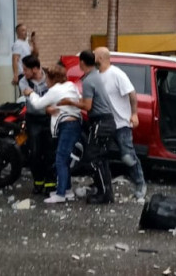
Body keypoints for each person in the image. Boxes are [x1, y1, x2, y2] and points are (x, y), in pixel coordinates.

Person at [94, 46, 147, 201]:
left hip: (121, 124)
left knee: (128, 156)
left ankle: (140, 183)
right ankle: (103, 186)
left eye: (94, 55)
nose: (92, 57)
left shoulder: (117, 74)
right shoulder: (96, 76)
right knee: (101, 156)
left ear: (101, 58)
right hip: (105, 124)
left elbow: (132, 93)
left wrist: (134, 114)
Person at [26, 63, 82, 204]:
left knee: (60, 159)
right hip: (74, 124)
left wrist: (31, 93)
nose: (45, 82)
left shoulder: (55, 90)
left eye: (47, 79)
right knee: (65, 159)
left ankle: (60, 194)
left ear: (52, 78)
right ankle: (67, 190)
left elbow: (38, 104)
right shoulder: (70, 85)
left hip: (66, 126)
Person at [73, 50, 117, 204]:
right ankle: (106, 192)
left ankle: (103, 194)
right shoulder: (96, 76)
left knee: (92, 159)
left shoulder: (88, 80)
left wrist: (70, 102)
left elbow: (87, 106)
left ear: (82, 62)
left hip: (101, 123)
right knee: (102, 159)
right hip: (107, 122)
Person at [19, 54, 55, 194]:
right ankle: (38, 182)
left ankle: (50, 183)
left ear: (35, 69)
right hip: (33, 120)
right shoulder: (24, 82)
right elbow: (34, 103)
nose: (23, 72)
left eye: (25, 69)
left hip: (49, 119)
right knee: (35, 152)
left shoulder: (50, 77)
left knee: (50, 151)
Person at [11, 23, 38, 88]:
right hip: (23, 75)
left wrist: (33, 42)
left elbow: (35, 54)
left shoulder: (26, 43)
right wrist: (16, 75)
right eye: (23, 30)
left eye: (26, 30)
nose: (25, 32)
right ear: (18, 33)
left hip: (29, 73)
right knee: (29, 92)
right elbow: (15, 59)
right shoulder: (18, 44)